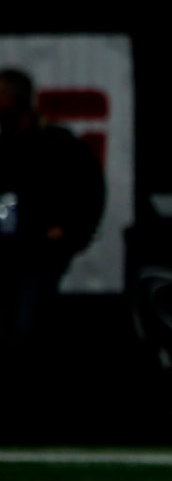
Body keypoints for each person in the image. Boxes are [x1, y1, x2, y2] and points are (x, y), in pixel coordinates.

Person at [0, 68, 106, 402]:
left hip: (38, 254)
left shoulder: (55, 144)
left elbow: (88, 192)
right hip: (8, 251)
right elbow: (5, 198)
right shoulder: (6, 145)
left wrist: (69, 231)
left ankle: (36, 402)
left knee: (29, 327)